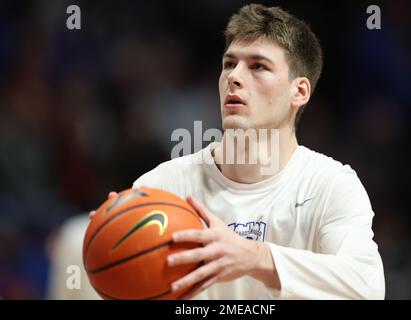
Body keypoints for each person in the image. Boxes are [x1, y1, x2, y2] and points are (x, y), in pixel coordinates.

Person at [93, 3, 385, 299]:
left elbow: (367, 287)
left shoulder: (330, 185)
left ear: (299, 92)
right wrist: (110, 246)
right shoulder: (162, 187)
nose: (234, 76)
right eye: (229, 64)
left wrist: (256, 258)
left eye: (258, 66)